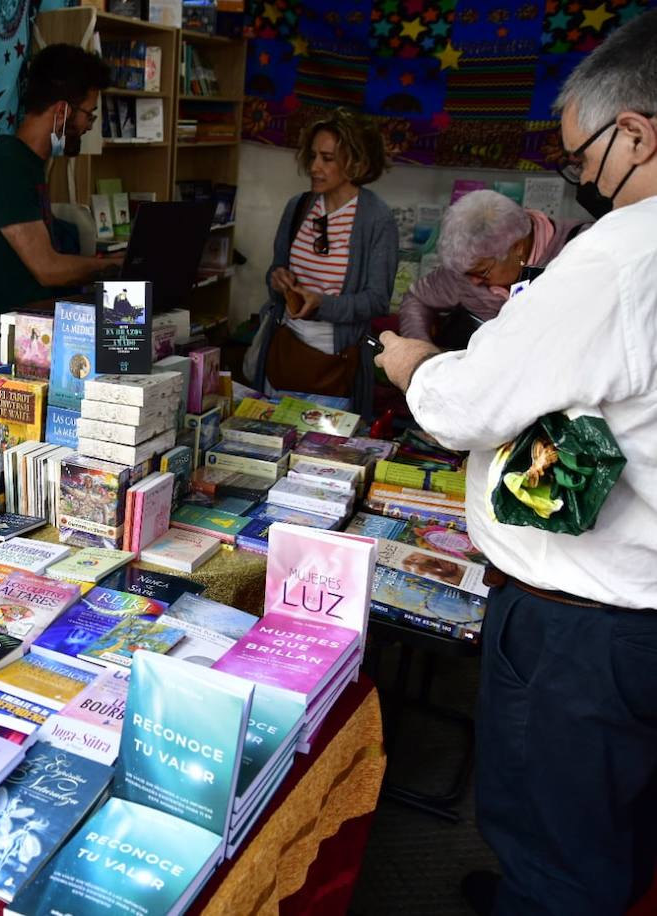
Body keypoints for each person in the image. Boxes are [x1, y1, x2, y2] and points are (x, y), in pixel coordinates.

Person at [374, 12, 657, 915]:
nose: (580, 179)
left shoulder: (619, 256)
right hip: (629, 613)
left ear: (638, 132)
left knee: (556, 840)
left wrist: (415, 368)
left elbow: (467, 407)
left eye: (583, 158)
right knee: (604, 819)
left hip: (585, 625)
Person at [0, 43, 121, 438]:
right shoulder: (4, 165)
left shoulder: (29, 168)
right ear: (62, 111)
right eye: (88, 113)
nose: (90, 124)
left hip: (26, 341)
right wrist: (111, 265)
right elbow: (46, 268)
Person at [249, 108, 397, 414]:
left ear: (356, 162)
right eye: (313, 156)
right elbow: (274, 275)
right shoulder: (298, 206)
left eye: (327, 159)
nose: (314, 166)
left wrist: (321, 304)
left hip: (334, 370)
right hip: (282, 359)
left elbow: (377, 301)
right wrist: (277, 280)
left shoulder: (376, 218)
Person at [397, 189, 589, 342]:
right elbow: (417, 298)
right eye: (465, 273)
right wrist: (421, 351)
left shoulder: (582, 252)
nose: (473, 281)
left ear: (518, 247)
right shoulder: (468, 266)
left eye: (482, 272)